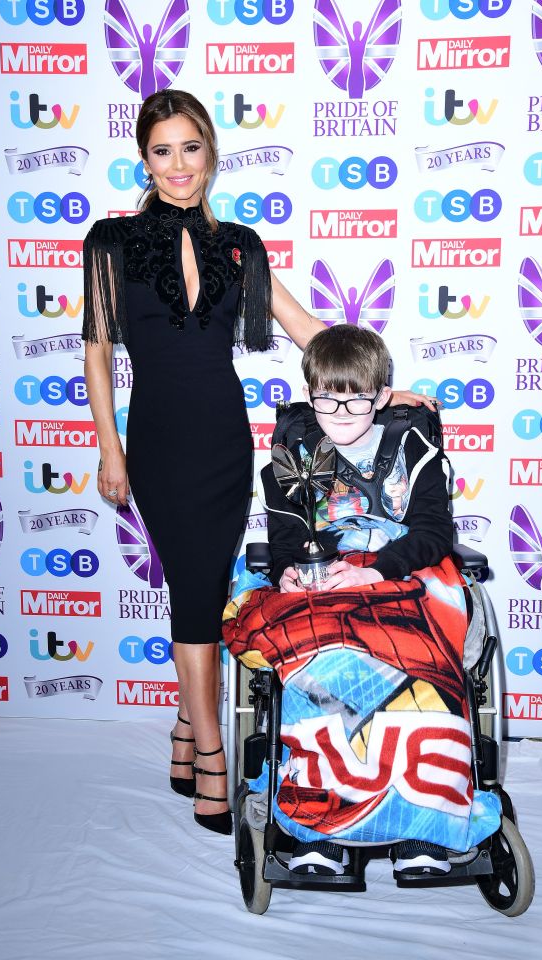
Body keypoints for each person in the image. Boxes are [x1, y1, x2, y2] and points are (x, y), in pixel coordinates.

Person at [82, 89, 435, 838]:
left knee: (207, 586)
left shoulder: (238, 244)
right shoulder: (109, 243)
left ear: (209, 153)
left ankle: (186, 733)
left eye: (190, 148)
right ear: (143, 159)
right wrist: (109, 450)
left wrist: (374, 384)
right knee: (188, 586)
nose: (178, 165)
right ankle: (211, 750)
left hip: (220, 436)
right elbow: (97, 354)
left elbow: (305, 326)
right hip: (156, 440)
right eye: (161, 150)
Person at [224, 325, 500, 875]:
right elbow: (284, 538)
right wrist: (294, 573)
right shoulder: (292, 451)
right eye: (327, 397)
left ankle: (425, 828)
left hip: (402, 572)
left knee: (421, 664)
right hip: (325, 573)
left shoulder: (413, 448)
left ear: (381, 396)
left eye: (357, 398)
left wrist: (371, 571)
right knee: (313, 660)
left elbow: (430, 535)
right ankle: (317, 829)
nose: (342, 411)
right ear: (310, 392)